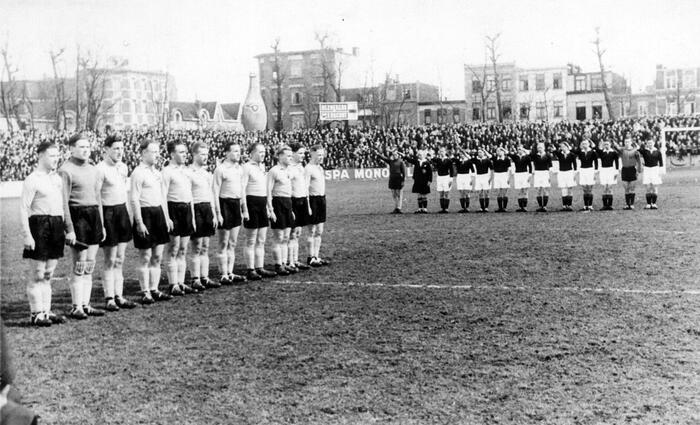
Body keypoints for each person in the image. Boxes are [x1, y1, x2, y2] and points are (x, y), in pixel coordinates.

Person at [19, 141, 66, 326]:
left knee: (48, 273)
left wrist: (63, 228)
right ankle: (36, 314)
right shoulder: (32, 179)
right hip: (39, 226)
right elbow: (24, 208)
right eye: (51, 155)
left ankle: (46, 311)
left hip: (56, 225)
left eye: (57, 156)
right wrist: (27, 235)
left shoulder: (57, 179)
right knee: (37, 274)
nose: (56, 159)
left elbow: (61, 206)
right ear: (40, 156)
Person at [59, 133, 106, 319]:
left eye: (88, 147)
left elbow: (98, 197)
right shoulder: (65, 170)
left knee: (90, 263)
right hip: (77, 216)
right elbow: (63, 202)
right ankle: (76, 306)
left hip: (93, 215)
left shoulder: (93, 169)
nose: (86, 150)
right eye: (81, 147)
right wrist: (69, 228)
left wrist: (101, 224)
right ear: (71, 149)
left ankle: (86, 305)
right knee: (79, 263)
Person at [96, 135, 136, 312]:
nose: (120, 152)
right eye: (116, 148)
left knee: (120, 258)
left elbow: (123, 192)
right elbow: (97, 197)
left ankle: (119, 296)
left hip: (122, 212)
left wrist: (128, 214)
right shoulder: (100, 169)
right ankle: (109, 298)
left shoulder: (123, 167)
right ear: (106, 150)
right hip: (108, 213)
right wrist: (101, 222)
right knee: (110, 259)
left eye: (121, 148)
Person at [130, 139, 173, 304]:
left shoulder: (157, 173)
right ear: (143, 153)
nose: (157, 155)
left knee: (157, 256)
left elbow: (162, 197)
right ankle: (145, 291)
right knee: (145, 256)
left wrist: (166, 217)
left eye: (158, 151)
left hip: (158, 214)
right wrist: (139, 222)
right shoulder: (138, 173)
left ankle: (154, 289)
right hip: (145, 214)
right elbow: (134, 199)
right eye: (153, 152)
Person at [162, 140, 197, 296]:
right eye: (181, 152)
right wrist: (167, 217)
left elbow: (190, 195)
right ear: (172, 154)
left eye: (185, 152)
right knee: (173, 248)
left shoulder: (187, 171)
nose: (185, 155)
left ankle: (181, 282)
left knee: (183, 248)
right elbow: (162, 196)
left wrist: (193, 217)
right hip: (173, 209)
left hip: (186, 209)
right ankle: (173, 284)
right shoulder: (167, 172)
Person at [241, 143, 277, 280]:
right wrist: (245, 209)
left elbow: (265, 189)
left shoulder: (262, 167)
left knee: (261, 239)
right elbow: (242, 189)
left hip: (262, 203)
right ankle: (250, 269)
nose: (263, 154)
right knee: (251, 239)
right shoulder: (246, 167)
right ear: (252, 153)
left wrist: (268, 207)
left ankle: (259, 267)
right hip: (251, 203)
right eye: (260, 152)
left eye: (264, 152)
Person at [212, 142, 246, 286]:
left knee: (232, 242)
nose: (238, 154)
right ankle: (223, 274)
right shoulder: (220, 169)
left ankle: (230, 272)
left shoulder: (239, 169)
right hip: (224, 204)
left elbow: (242, 190)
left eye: (239, 151)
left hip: (235, 205)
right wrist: (218, 213)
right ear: (226, 153)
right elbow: (215, 192)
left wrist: (244, 209)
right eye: (235, 151)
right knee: (223, 242)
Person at [188, 141, 216, 291]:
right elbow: (188, 196)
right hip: (196, 208)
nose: (205, 157)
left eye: (207, 154)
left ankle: (204, 277)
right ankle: (195, 278)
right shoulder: (189, 172)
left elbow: (210, 194)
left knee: (205, 245)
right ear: (194, 154)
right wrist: (192, 216)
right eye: (202, 154)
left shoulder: (207, 174)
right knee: (197, 246)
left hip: (207, 209)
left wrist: (214, 214)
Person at [267, 145, 296, 275]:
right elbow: (268, 191)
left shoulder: (288, 171)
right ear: (279, 156)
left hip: (287, 203)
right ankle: (278, 264)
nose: (290, 158)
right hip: (277, 203)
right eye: (288, 156)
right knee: (278, 237)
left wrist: (291, 209)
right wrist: (270, 209)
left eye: (291, 156)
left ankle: (284, 263)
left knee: (286, 237)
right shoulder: (274, 171)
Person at [287, 144, 312, 271]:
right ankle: (290, 262)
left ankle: (295, 260)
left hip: (302, 201)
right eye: (300, 153)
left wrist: (307, 204)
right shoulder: (289, 169)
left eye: (304, 153)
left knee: (298, 233)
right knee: (292, 233)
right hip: (294, 201)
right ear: (293, 153)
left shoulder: (301, 167)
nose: (303, 155)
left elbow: (304, 187)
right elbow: (287, 188)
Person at [306, 144, 330, 266]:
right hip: (312, 200)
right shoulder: (308, 168)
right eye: (319, 155)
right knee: (312, 230)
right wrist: (308, 205)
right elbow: (305, 188)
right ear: (312, 154)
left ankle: (316, 256)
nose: (321, 157)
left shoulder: (320, 168)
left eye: (322, 155)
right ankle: (310, 257)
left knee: (319, 231)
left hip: (321, 199)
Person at [376, 149, 406, 213]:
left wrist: (403, 181)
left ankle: (399, 208)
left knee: (399, 194)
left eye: (395, 154)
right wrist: (378, 154)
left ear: (397, 155)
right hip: (392, 179)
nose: (394, 156)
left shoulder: (401, 162)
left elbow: (404, 173)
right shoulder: (391, 161)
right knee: (394, 194)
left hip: (398, 180)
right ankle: (396, 207)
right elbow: (384, 158)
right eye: (393, 155)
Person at [616, 135, 642, 210]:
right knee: (626, 188)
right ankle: (627, 204)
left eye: (628, 142)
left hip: (632, 169)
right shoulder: (622, 150)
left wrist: (638, 170)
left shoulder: (635, 151)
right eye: (626, 142)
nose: (627, 143)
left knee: (632, 187)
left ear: (631, 142)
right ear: (624, 143)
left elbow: (639, 161)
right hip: (624, 170)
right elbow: (616, 147)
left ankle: (632, 204)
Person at [405, 149, 432, 213]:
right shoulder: (417, 161)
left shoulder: (427, 163)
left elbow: (430, 173)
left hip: (425, 181)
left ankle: (425, 208)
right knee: (419, 195)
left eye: (420, 155)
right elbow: (410, 160)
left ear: (424, 155)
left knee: (424, 195)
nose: (419, 156)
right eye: (419, 155)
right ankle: (420, 208)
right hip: (417, 181)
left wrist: (429, 181)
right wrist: (404, 156)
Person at [639, 138, 664, 209]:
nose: (650, 144)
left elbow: (661, 163)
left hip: (655, 170)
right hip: (647, 170)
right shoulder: (644, 151)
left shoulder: (658, 152)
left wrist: (660, 172)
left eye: (651, 143)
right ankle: (648, 204)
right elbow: (637, 150)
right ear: (647, 144)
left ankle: (654, 204)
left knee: (654, 187)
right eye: (648, 143)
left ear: (653, 143)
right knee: (648, 187)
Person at [554, 142, 578, 211]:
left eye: (564, 146)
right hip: (561, 173)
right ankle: (564, 206)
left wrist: (574, 173)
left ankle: (569, 205)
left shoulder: (572, 154)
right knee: (563, 189)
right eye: (561, 147)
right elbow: (554, 151)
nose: (562, 148)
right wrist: (554, 148)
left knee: (570, 188)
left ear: (567, 147)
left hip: (569, 172)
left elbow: (575, 164)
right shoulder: (559, 154)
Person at [597, 139, 620, 210]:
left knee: (610, 187)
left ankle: (610, 205)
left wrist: (616, 172)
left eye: (607, 144)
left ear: (610, 145)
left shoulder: (614, 153)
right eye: (605, 144)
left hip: (611, 170)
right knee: (604, 187)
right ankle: (605, 205)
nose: (606, 145)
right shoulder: (601, 152)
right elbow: (596, 149)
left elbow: (617, 163)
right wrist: (600, 145)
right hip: (603, 170)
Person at [576, 139, 598, 211]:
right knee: (584, 189)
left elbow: (596, 162)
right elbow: (573, 151)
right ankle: (585, 206)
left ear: (589, 144)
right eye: (583, 144)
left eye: (586, 143)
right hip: (582, 170)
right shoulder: (580, 152)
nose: (584, 145)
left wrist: (595, 171)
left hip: (590, 170)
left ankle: (590, 206)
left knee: (589, 189)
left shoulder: (592, 152)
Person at [531, 142, 553, 212]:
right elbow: (531, 162)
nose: (539, 148)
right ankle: (540, 206)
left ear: (544, 148)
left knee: (545, 189)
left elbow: (550, 166)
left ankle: (545, 206)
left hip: (545, 173)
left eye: (540, 147)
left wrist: (550, 176)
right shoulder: (534, 155)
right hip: (537, 173)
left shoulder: (548, 155)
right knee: (538, 190)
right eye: (538, 147)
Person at [510, 145, 533, 212]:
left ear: (523, 149)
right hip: (517, 174)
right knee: (520, 191)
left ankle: (525, 207)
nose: (519, 150)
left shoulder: (527, 157)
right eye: (518, 149)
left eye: (520, 149)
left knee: (525, 190)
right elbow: (508, 153)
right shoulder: (515, 157)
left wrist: (530, 175)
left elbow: (530, 166)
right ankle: (521, 207)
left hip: (525, 174)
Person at [433, 147, 455, 213]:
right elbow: (432, 162)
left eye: (442, 151)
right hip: (439, 177)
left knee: (446, 192)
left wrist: (451, 179)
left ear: (445, 152)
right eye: (440, 151)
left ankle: (446, 208)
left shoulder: (448, 160)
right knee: (441, 193)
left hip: (446, 177)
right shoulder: (438, 160)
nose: (441, 152)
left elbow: (451, 170)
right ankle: (442, 208)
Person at [491, 148, 511, 212]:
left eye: (500, 151)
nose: (498, 152)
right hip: (497, 175)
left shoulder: (507, 159)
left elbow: (509, 169)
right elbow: (488, 156)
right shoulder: (494, 159)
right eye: (497, 151)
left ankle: (504, 207)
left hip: (504, 175)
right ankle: (500, 208)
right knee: (499, 192)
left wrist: (508, 177)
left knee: (504, 192)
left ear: (503, 152)